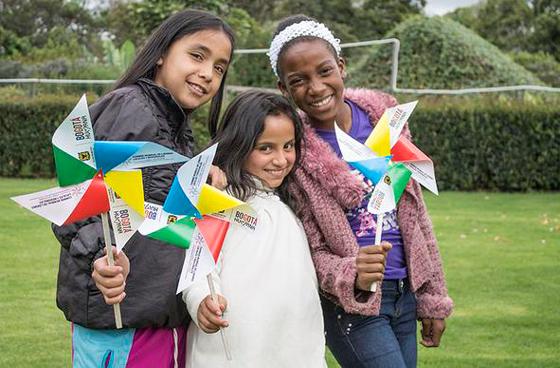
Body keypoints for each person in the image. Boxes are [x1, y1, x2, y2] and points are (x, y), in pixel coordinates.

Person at [264, 14, 454, 368]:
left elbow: (417, 219)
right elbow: (309, 250)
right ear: (283, 89)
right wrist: (352, 272)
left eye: (324, 71)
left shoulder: (385, 121)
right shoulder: (294, 151)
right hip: (353, 304)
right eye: (299, 80)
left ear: (341, 66)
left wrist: (432, 298)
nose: (316, 87)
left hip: (404, 294)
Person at [51, 9, 235, 367]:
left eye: (219, 67)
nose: (207, 74)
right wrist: (100, 259)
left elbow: (163, 210)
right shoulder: (132, 107)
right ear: (163, 52)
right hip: (123, 319)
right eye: (197, 56)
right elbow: (81, 195)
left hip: (159, 313)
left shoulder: (176, 125)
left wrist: (201, 177)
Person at [96, 91, 328, 367]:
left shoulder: (291, 203)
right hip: (235, 347)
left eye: (288, 146)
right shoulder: (219, 201)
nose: (281, 159)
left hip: (295, 343)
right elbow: (197, 265)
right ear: (239, 145)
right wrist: (202, 300)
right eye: (266, 148)